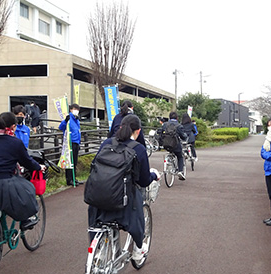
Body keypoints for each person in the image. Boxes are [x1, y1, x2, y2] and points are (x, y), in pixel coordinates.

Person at [88, 114, 159, 259]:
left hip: (98, 195)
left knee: (96, 221)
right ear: (138, 131)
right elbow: (144, 181)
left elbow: (94, 166)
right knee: (137, 204)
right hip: (123, 202)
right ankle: (138, 251)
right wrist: (154, 175)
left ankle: (98, 251)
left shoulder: (107, 143)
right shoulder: (138, 149)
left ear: (120, 127)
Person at [59, 104, 81, 186]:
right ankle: (69, 179)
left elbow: (78, 131)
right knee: (70, 161)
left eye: (77, 109)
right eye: (75, 109)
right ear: (71, 109)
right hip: (70, 142)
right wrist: (65, 121)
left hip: (76, 142)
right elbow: (61, 127)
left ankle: (74, 178)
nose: (76, 111)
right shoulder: (69, 118)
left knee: (74, 161)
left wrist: (79, 142)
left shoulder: (76, 119)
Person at [162, 111, 188, 180]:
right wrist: (185, 137)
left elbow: (161, 133)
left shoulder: (165, 125)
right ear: (177, 118)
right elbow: (183, 136)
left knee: (170, 152)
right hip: (176, 145)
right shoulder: (179, 126)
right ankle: (180, 171)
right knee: (180, 156)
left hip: (166, 144)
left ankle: (169, 163)